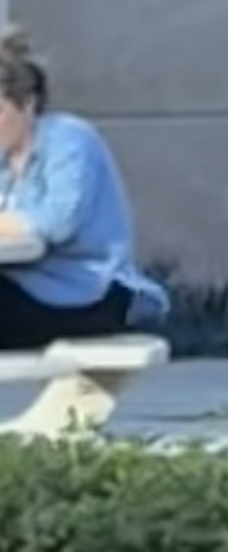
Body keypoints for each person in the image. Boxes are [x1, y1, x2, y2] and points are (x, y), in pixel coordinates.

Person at [0, 30, 165, 350]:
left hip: (87, 292)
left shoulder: (68, 140)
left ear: (28, 103)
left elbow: (56, 222)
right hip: (26, 285)